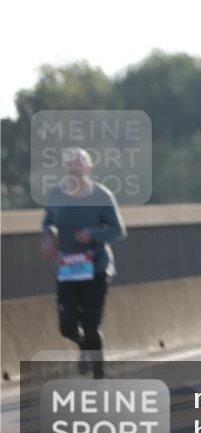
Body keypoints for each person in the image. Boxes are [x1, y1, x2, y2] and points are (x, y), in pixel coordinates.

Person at [41, 147, 127, 379]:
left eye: (79, 162)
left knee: (91, 323)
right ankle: (85, 345)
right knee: (67, 327)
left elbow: (118, 230)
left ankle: (99, 372)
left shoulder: (101, 195)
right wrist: (48, 238)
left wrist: (93, 234)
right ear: (65, 167)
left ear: (89, 167)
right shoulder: (56, 195)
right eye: (70, 162)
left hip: (97, 267)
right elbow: (47, 223)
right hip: (68, 268)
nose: (74, 166)